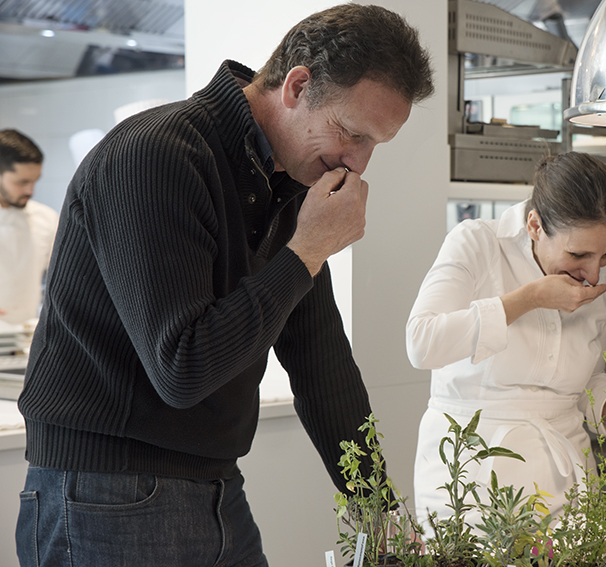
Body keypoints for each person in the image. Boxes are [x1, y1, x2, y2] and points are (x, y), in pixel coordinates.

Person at [16, 5, 434, 567]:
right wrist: (308, 250)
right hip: (105, 489)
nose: (357, 162)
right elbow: (182, 369)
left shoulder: (285, 185)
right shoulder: (156, 155)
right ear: (298, 85)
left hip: (211, 483)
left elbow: (322, 363)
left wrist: (378, 510)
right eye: (351, 133)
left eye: (374, 145)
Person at [406, 152, 606, 530]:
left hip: (567, 478)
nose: (592, 271)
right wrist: (529, 298)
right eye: (578, 253)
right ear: (535, 225)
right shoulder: (477, 243)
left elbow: (585, 378)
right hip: (468, 475)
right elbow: (422, 343)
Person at [0, 130, 59, 327]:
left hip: (25, 338)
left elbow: (63, 280)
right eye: (22, 182)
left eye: (35, 181)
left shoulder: (46, 218)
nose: (30, 191)